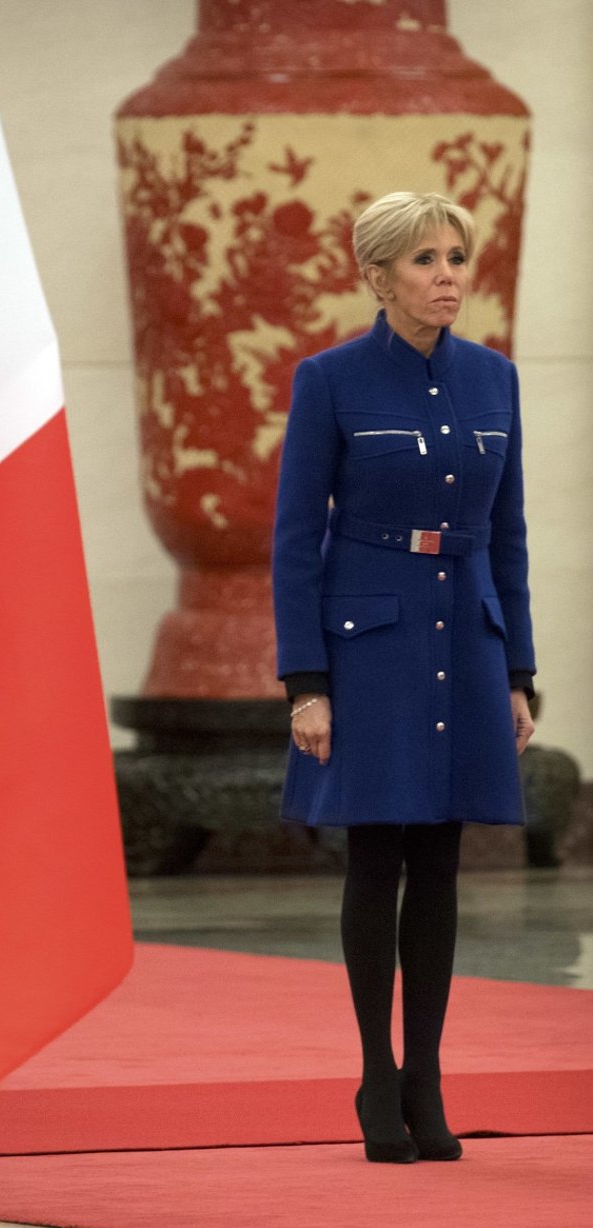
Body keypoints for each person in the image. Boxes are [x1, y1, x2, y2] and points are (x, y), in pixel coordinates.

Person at [271, 191, 536, 1164]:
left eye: (457, 256)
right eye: (424, 259)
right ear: (376, 277)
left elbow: (505, 532)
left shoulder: (496, 380)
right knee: (375, 854)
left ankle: (425, 1072)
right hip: (368, 640)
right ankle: (374, 1072)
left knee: (440, 861)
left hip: (463, 637)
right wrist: (305, 679)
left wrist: (517, 668)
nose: (447, 275)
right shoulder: (329, 379)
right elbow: (296, 538)